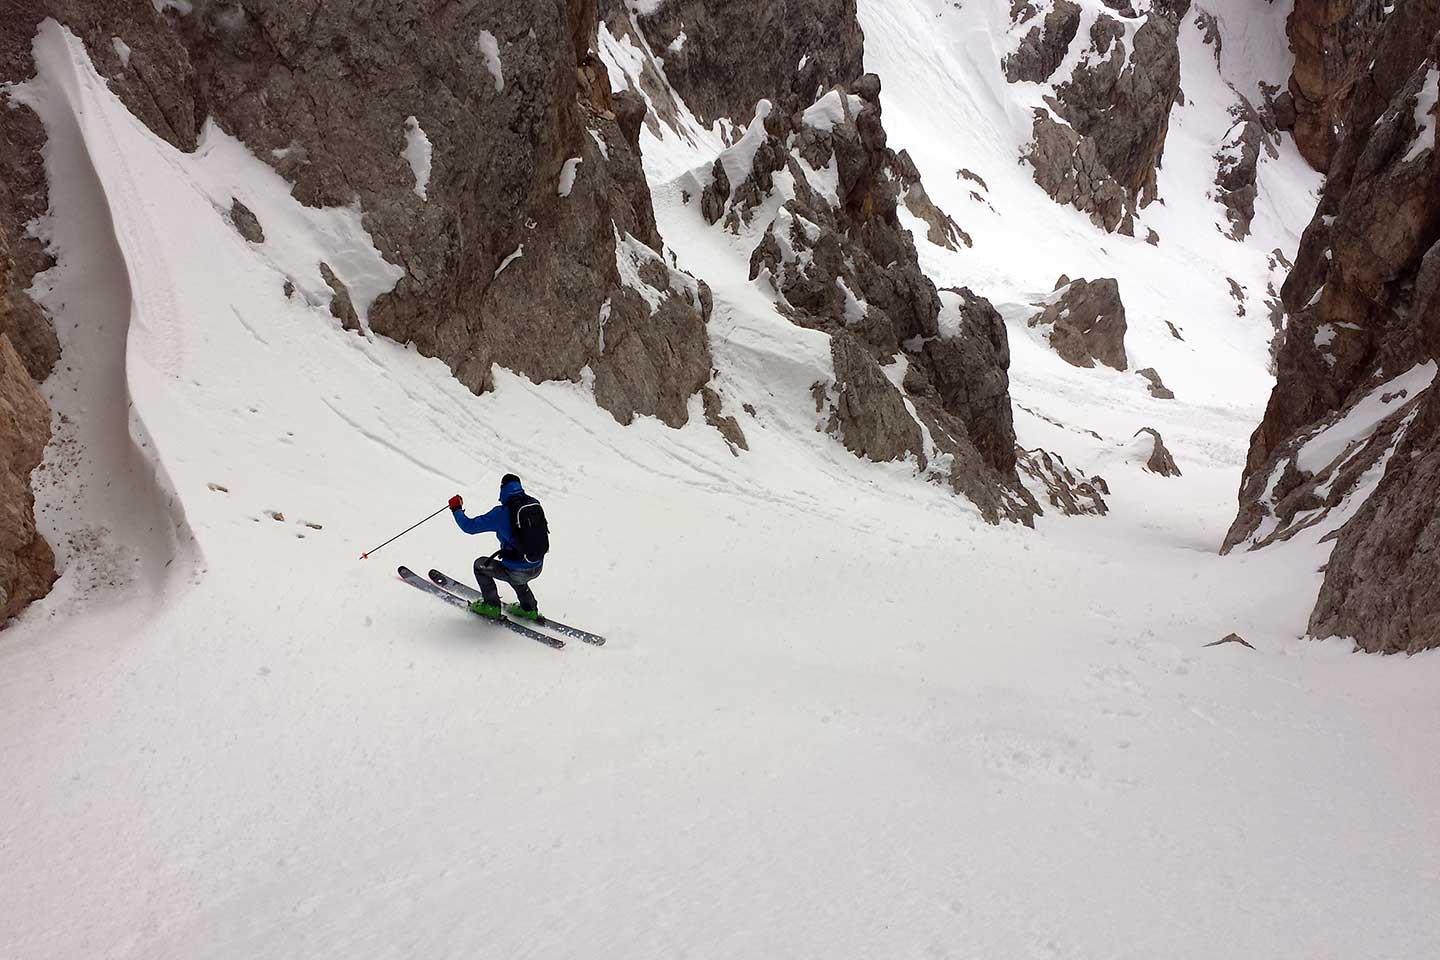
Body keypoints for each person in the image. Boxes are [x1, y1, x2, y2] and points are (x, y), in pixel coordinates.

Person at [447, 473, 545, 621]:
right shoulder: (533, 504)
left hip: (517, 570)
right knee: (515, 566)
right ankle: (529, 608)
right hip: (537, 564)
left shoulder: (500, 513)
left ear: (502, 489)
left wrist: (456, 509)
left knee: (480, 565)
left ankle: (491, 607)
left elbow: (469, 527)